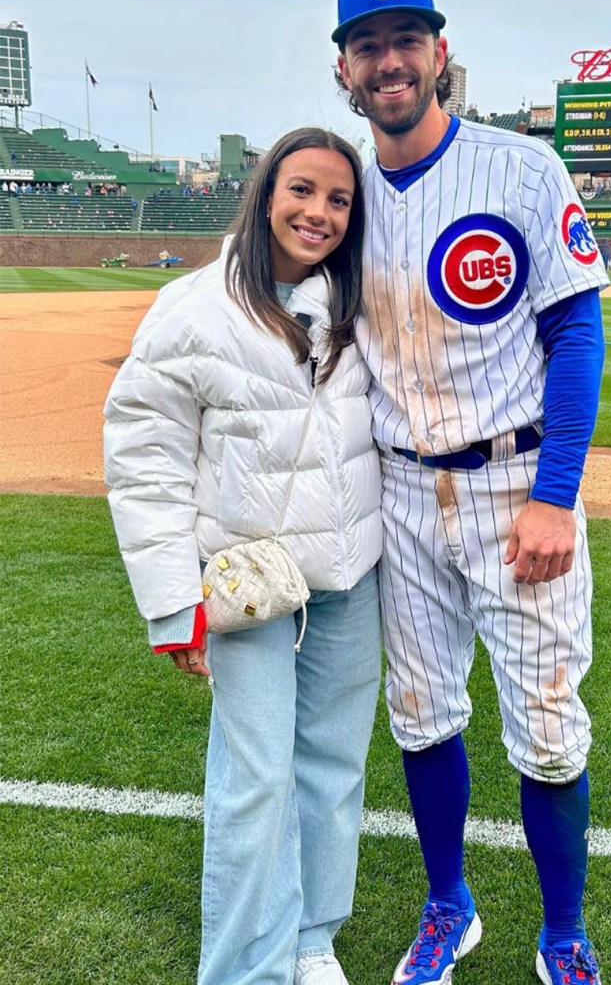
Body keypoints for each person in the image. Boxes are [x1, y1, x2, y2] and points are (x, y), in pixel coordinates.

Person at [332, 0, 609, 985]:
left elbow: (576, 331)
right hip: (398, 488)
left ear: (437, 53)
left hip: (515, 480)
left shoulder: (522, 170)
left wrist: (554, 494)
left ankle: (562, 931)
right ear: (344, 69)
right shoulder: (344, 195)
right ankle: (448, 904)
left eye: (407, 38)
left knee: (544, 723)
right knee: (419, 710)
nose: (389, 59)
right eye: (368, 45)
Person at [104, 127, 383, 985]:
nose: (319, 212)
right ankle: (240, 970)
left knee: (332, 770)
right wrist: (167, 601)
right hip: (250, 588)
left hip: (348, 576)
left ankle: (310, 940)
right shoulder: (193, 306)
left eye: (339, 199)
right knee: (254, 784)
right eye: (302, 190)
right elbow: (144, 453)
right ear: (266, 194)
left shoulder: (359, 304)